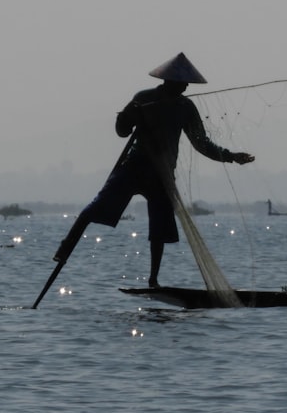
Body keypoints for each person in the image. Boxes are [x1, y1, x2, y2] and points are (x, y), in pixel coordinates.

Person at [51, 52, 254, 288]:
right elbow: (122, 131)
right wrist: (129, 116)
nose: (186, 86)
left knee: (159, 230)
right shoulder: (144, 98)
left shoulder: (185, 107)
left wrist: (231, 157)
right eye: (182, 82)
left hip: (162, 174)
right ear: (169, 81)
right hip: (135, 167)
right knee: (93, 210)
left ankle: (153, 279)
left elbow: (202, 144)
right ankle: (64, 249)